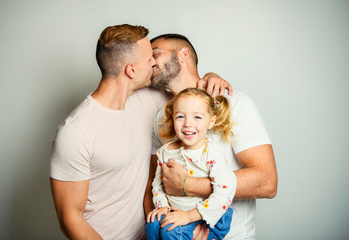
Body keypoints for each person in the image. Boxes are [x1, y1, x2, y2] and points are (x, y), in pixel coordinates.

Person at [50, 24, 231, 240]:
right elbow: (70, 218)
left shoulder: (150, 99)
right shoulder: (75, 132)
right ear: (131, 70)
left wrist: (211, 78)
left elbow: (193, 101)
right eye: (149, 59)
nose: (155, 63)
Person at [144, 34, 278, 240]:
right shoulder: (161, 118)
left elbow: (267, 181)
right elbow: (153, 186)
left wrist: (187, 186)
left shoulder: (234, 103)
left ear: (183, 54)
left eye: (155, 54)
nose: (150, 61)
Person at [145, 88, 236, 240]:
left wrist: (189, 216)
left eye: (197, 117)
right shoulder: (165, 152)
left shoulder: (211, 152)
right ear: (172, 118)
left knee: (170, 231)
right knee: (153, 224)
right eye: (180, 116)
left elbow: (226, 190)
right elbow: (158, 184)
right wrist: (163, 207)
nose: (188, 123)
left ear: (211, 121)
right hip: (177, 212)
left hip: (207, 215)